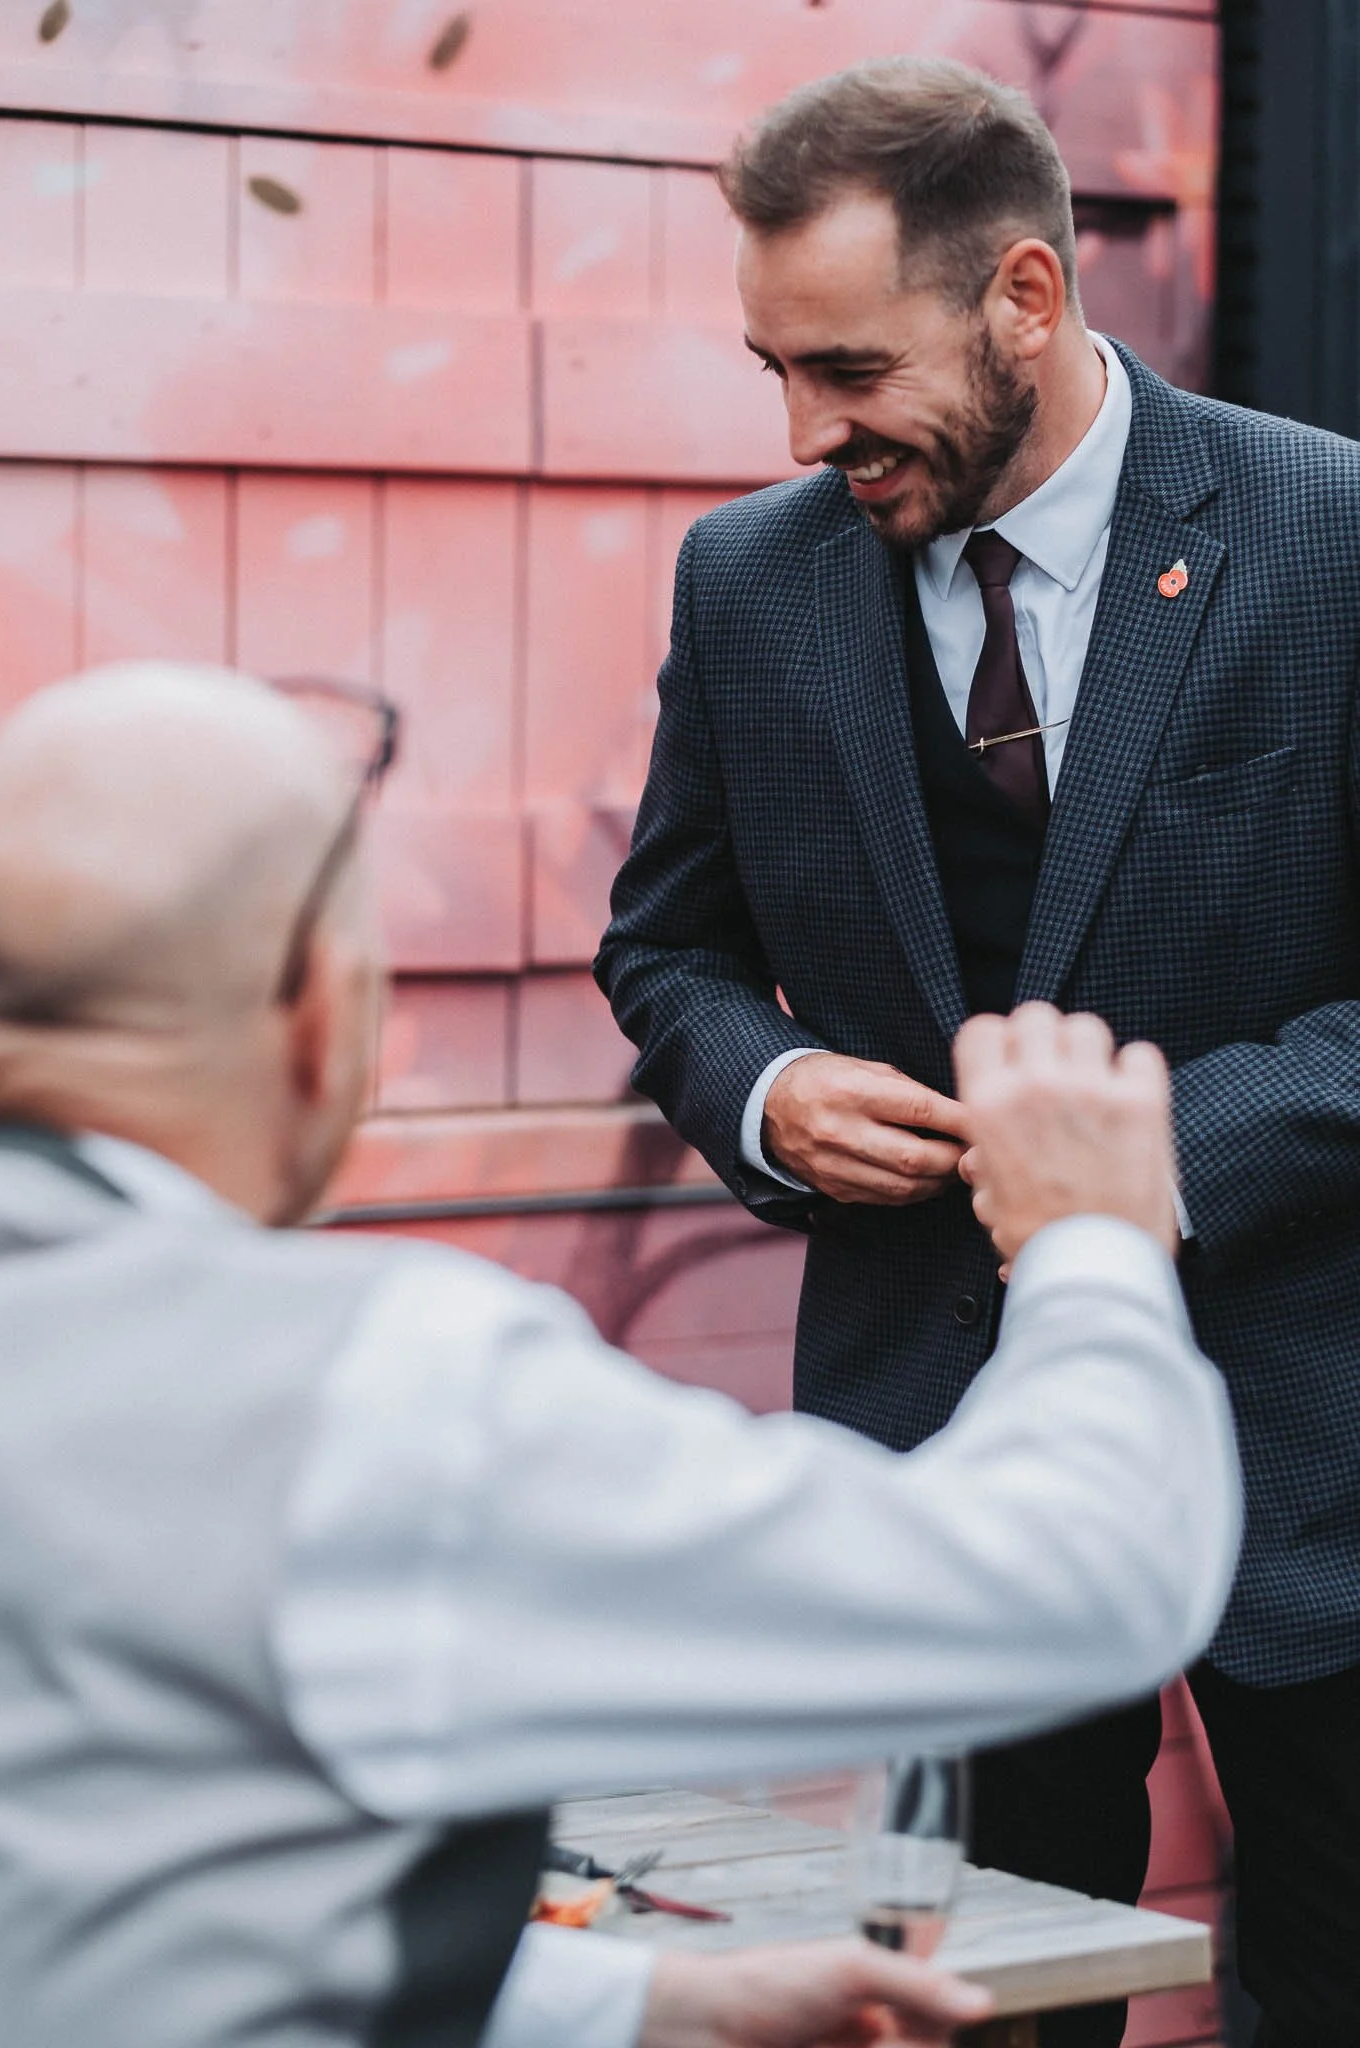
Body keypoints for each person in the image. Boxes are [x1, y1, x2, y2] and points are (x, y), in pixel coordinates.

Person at [0, 660, 1238, 2048]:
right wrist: (1093, 1238)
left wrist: (631, 2004)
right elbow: (1078, 1581)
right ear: (325, 1012)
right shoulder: (363, 1399)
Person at [594, 53, 1360, 2048]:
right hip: (939, 1456)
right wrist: (760, 1090)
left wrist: (1119, 1172)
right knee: (970, 2019)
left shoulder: (1334, 535)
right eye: (771, 364)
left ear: (1025, 293)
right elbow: (668, 942)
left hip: (1316, 1436)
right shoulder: (746, 581)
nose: (799, 426)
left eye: (846, 364)